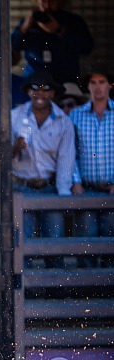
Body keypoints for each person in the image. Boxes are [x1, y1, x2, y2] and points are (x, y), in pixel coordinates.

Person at [11, 70, 76, 268]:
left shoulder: (63, 122)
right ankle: (26, 293)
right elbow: (1, 157)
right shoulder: (14, 116)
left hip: (50, 188)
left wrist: (63, 197)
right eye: (35, 88)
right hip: (22, 186)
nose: (40, 93)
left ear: (53, 93)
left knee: (54, 241)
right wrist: (15, 148)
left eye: (46, 89)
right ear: (28, 91)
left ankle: (55, 291)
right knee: (24, 240)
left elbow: (66, 161)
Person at [70, 67, 114, 268]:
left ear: (110, 85)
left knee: (110, 240)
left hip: (111, 190)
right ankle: (87, 289)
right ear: (88, 86)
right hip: (86, 189)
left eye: (102, 82)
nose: (98, 88)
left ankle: (106, 291)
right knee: (86, 241)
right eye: (93, 83)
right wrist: (76, 181)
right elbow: (70, 152)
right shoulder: (76, 116)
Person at [11, 0, 94, 84]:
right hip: (34, 80)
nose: (47, 5)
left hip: (65, 80)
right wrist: (24, 28)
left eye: (52, 1)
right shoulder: (29, 22)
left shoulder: (73, 21)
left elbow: (87, 48)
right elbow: (14, 46)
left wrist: (60, 31)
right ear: (37, 2)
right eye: (43, 1)